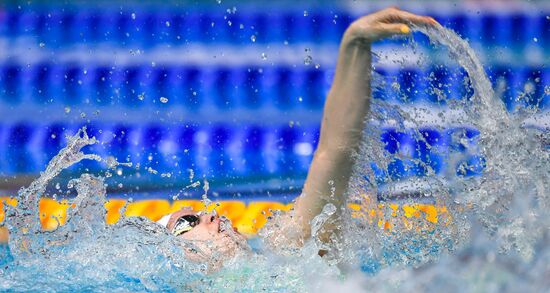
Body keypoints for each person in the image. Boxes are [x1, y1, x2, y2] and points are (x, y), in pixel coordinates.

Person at [156, 7, 438, 269]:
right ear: (180, 258)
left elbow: (333, 153)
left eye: (200, 212)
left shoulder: (288, 253)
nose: (212, 215)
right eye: (188, 222)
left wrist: (355, 43)